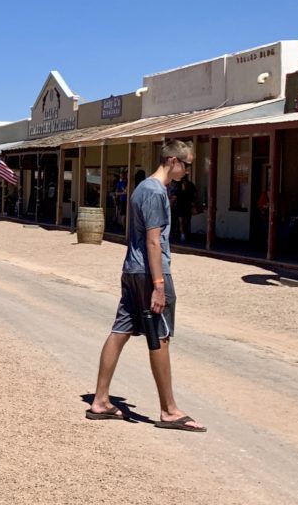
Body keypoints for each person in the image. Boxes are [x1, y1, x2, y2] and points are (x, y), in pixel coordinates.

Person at [87, 139, 205, 433]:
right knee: (160, 336)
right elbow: (154, 241)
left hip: (132, 270)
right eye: (186, 165)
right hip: (148, 273)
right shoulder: (154, 192)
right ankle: (169, 410)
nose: (188, 171)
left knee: (121, 330)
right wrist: (159, 285)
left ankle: (100, 401)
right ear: (172, 161)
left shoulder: (143, 189)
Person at [174, 174, 197, 242]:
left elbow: (175, 195)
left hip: (182, 205)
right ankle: (184, 234)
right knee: (185, 221)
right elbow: (195, 194)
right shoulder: (189, 184)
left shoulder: (179, 185)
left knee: (183, 221)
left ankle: (183, 234)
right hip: (185, 205)